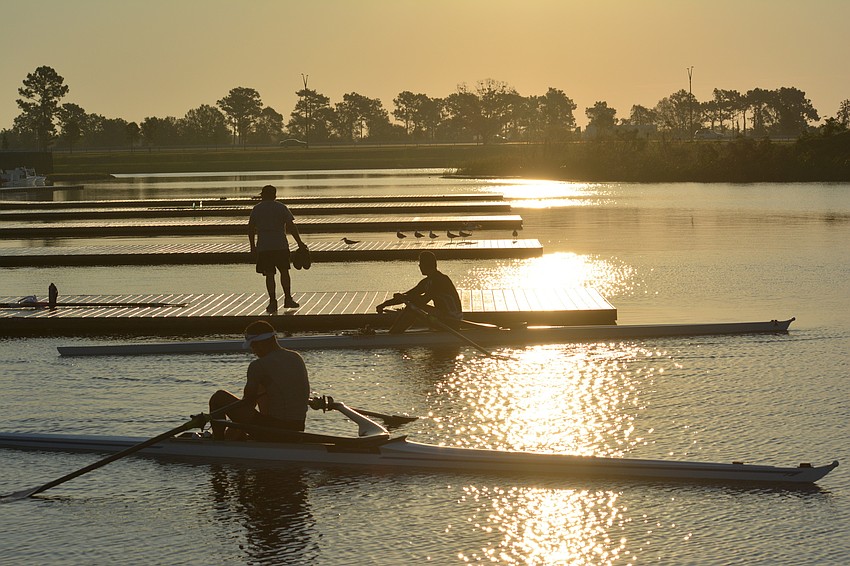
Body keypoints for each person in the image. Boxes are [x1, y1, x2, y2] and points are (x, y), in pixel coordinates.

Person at [209, 320, 310, 440]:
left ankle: (218, 442)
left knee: (219, 397)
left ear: (260, 343)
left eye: (253, 345)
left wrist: (232, 427)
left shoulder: (258, 366)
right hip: (297, 429)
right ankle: (237, 438)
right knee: (263, 387)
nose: (253, 350)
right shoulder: (296, 358)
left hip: (274, 431)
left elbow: (248, 404)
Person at [249, 184, 308, 313]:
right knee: (284, 272)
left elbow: (250, 229)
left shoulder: (256, 209)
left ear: (263, 196)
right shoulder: (281, 207)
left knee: (269, 275)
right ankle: (288, 299)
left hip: (264, 247)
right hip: (280, 245)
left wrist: (252, 247)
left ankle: (272, 302)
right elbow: (291, 226)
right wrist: (299, 243)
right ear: (274, 195)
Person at [375, 251, 462, 333]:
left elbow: (423, 300)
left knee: (413, 308)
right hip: (442, 318)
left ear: (426, 264)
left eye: (420, 263)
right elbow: (409, 295)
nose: (419, 266)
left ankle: (393, 336)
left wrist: (405, 298)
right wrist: (384, 304)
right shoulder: (426, 282)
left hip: (452, 321)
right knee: (412, 306)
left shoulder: (440, 280)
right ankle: (394, 333)